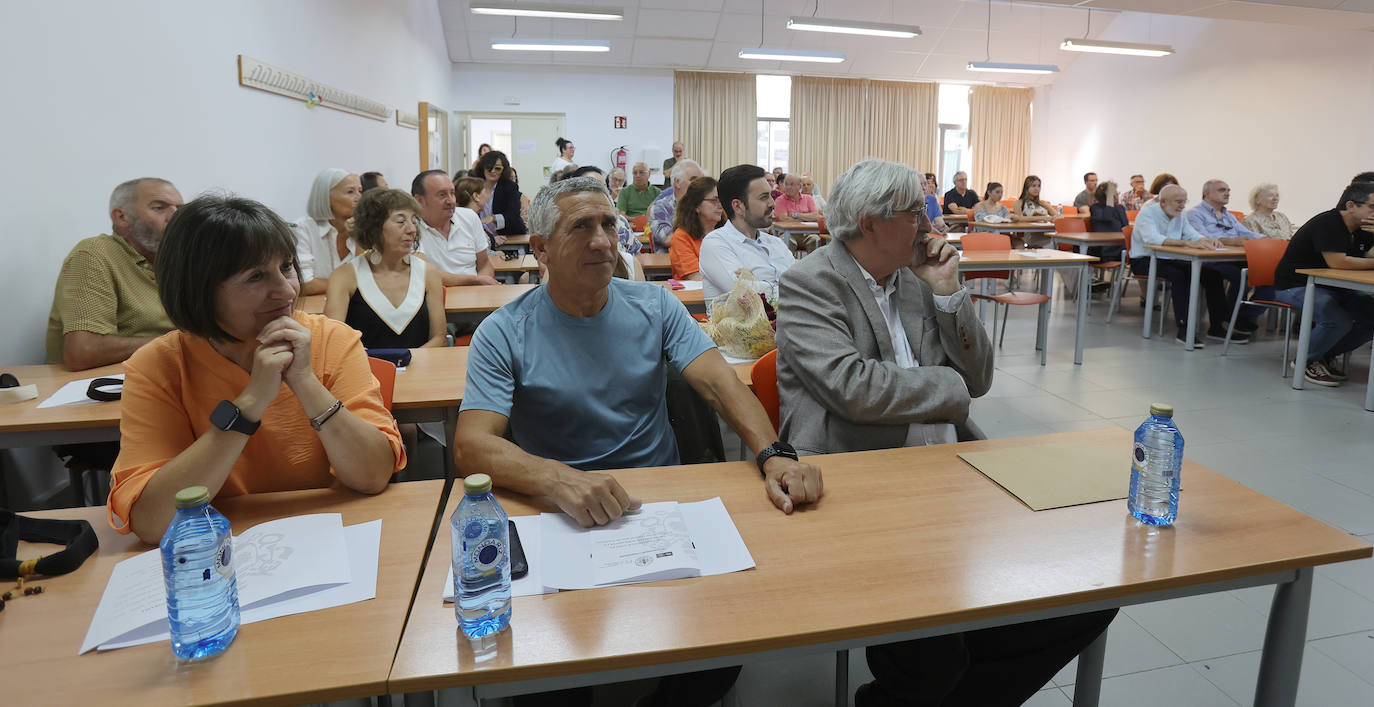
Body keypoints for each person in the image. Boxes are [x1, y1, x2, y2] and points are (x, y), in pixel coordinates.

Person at [455, 176, 821, 707]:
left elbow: (720, 384)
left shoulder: (654, 306)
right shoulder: (505, 331)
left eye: (609, 224)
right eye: (581, 227)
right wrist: (563, 481)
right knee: (546, 676)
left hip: (655, 510)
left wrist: (773, 455)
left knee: (717, 657)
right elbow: (471, 447)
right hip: (558, 514)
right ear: (540, 249)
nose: (603, 241)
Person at [775, 159, 1115, 707]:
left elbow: (977, 378)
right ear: (871, 222)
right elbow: (854, 389)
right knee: (936, 658)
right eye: (915, 213)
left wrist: (949, 292)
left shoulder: (915, 279)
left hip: (949, 475)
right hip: (861, 485)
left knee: (1091, 596)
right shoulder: (807, 283)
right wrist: (946, 387)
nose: (931, 225)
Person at [108, 195, 405, 544]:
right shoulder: (158, 366)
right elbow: (154, 521)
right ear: (199, 291)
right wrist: (250, 404)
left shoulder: (331, 340)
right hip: (218, 548)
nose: (285, 290)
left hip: (330, 535)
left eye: (287, 267)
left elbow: (372, 475)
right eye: (255, 277)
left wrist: (305, 381)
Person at [47, 177, 183, 370]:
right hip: (99, 389)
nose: (175, 216)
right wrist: (178, 343)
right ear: (121, 217)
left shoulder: (179, 261)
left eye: (180, 209)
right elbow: (83, 351)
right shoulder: (93, 254)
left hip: (165, 376)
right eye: (159, 208)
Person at [1274, 180, 1374, 387]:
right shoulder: (1328, 223)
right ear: (1351, 206)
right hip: (1295, 285)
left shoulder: (1365, 228)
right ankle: (1306, 360)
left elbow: (1368, 257)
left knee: (1370, 317)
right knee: (1337, 319)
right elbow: (1338, 262)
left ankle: (1322, 354)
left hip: (1334, 286)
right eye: (1372, 207)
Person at [325, 189, 445, 349]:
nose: (412, 230)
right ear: (374, 227)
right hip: (364, 369)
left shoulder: (428, 273)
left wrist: (408, 363)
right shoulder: (345, 276)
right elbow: (334, 340)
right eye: (401, 222)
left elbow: (439, 337)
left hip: (421, 368)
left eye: (414, 221)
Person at [1129, 184, 1239, 347]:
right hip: (1145, 259)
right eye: (1178, 202)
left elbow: (1192, 234)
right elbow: (1152, 239)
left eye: (1184, 202)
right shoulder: (1147, 214)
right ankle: (1184, 328)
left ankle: (1217, 326)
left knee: (1212, 275)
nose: (1182, 205)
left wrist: (1206, 240)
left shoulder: (1180, 215)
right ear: (1163, 202)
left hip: (1171, 257)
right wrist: (1187, 243)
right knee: (1181, 277)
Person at [699, 164, 793, 305]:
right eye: (763, 197)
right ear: (738, 206)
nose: (772, 203)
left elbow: (807, 285)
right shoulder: (715, 244)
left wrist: (758, 284)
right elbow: (747, 296)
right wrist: (794, 290)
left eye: (771, 195)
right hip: (745, 327)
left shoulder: (776, 243)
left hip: (788, 325)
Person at [1187, 180, 1263, 332]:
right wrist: (1231, 241)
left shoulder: (1228, 215)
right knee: (1240, 276)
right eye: (1222, 190)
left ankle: (1239, 315)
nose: (1227, 193)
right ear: (1207, 193)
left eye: (1228, 190)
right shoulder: (1195, 214)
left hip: (1233, 257)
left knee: (1262, 271)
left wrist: (1267, 239)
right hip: (1209, 259)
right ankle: (1230, 317)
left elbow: (1246, 233)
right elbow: (1203, 237)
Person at [411, 170, 499, 287]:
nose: (451, 201)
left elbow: (484, 265)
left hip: (475, 296)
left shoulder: (469, 217)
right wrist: (475, 280)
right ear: (419, 200)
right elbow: (425, 273)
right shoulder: (410, 228)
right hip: (436, 299)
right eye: (442, 195)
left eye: (452, 193)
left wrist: (481, 289)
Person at [293, 169, 362, 295]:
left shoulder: (362, 229)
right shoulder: (303, 228)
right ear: (326, 197)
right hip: (315, 310)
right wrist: (348, 283)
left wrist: (360, 240)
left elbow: (368, 280)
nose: (359, 198)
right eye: (350, 192)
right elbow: (304, 284)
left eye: (360, 191)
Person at [669, 176, 724, 281]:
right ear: (697, 206)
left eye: (721, 200)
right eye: (714, 200)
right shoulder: (681, 237)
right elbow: (695, 277)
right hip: (695, 295)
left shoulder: (726, 232)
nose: (720, 205)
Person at [649, 159, 705, 253]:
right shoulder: (660, 207)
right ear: (677, 182)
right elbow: (668, 239)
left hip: (700, 259)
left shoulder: (705, 204)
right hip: (669, 263)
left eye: (701, 180)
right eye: (694, 180)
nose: (699, 185)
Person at [475, 150, 526, 238]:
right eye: (489, 167)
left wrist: (494, 218)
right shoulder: (474, 186)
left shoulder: (510, 187)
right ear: (482, 168)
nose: (493, 171)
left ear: (503, 170)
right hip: (482, 237)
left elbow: (513, 215)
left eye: (497, 168)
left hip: (509, 236)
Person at [774, 173, 821, 253]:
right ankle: (788, 265)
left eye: (792, 184)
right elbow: (784, 219)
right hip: (788, 234)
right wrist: (807, 219)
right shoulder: (780, 200)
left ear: (799, 186)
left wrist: (795, 215)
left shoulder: (808, 198)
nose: (788, 187)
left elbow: (816, 216)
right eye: (786, 184)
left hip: (807, 234)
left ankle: (810, 265)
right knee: (786, 241)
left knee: (816, 240)